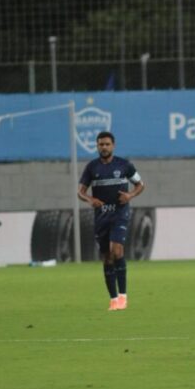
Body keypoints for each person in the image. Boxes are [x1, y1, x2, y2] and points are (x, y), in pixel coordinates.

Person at [78, 131, 145, 311]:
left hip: (119, 213)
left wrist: (130, 195)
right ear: (97, 146)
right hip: (101, 216)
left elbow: (140, 185)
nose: (104, 147)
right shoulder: (92, 168)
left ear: (113, 145)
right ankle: (113, 299)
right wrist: (90, 200)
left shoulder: (124, 165)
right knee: (107, 257)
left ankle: (123, 296)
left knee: (116, 250)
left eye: (107, 144)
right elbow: (80, 192)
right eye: (101, 144)